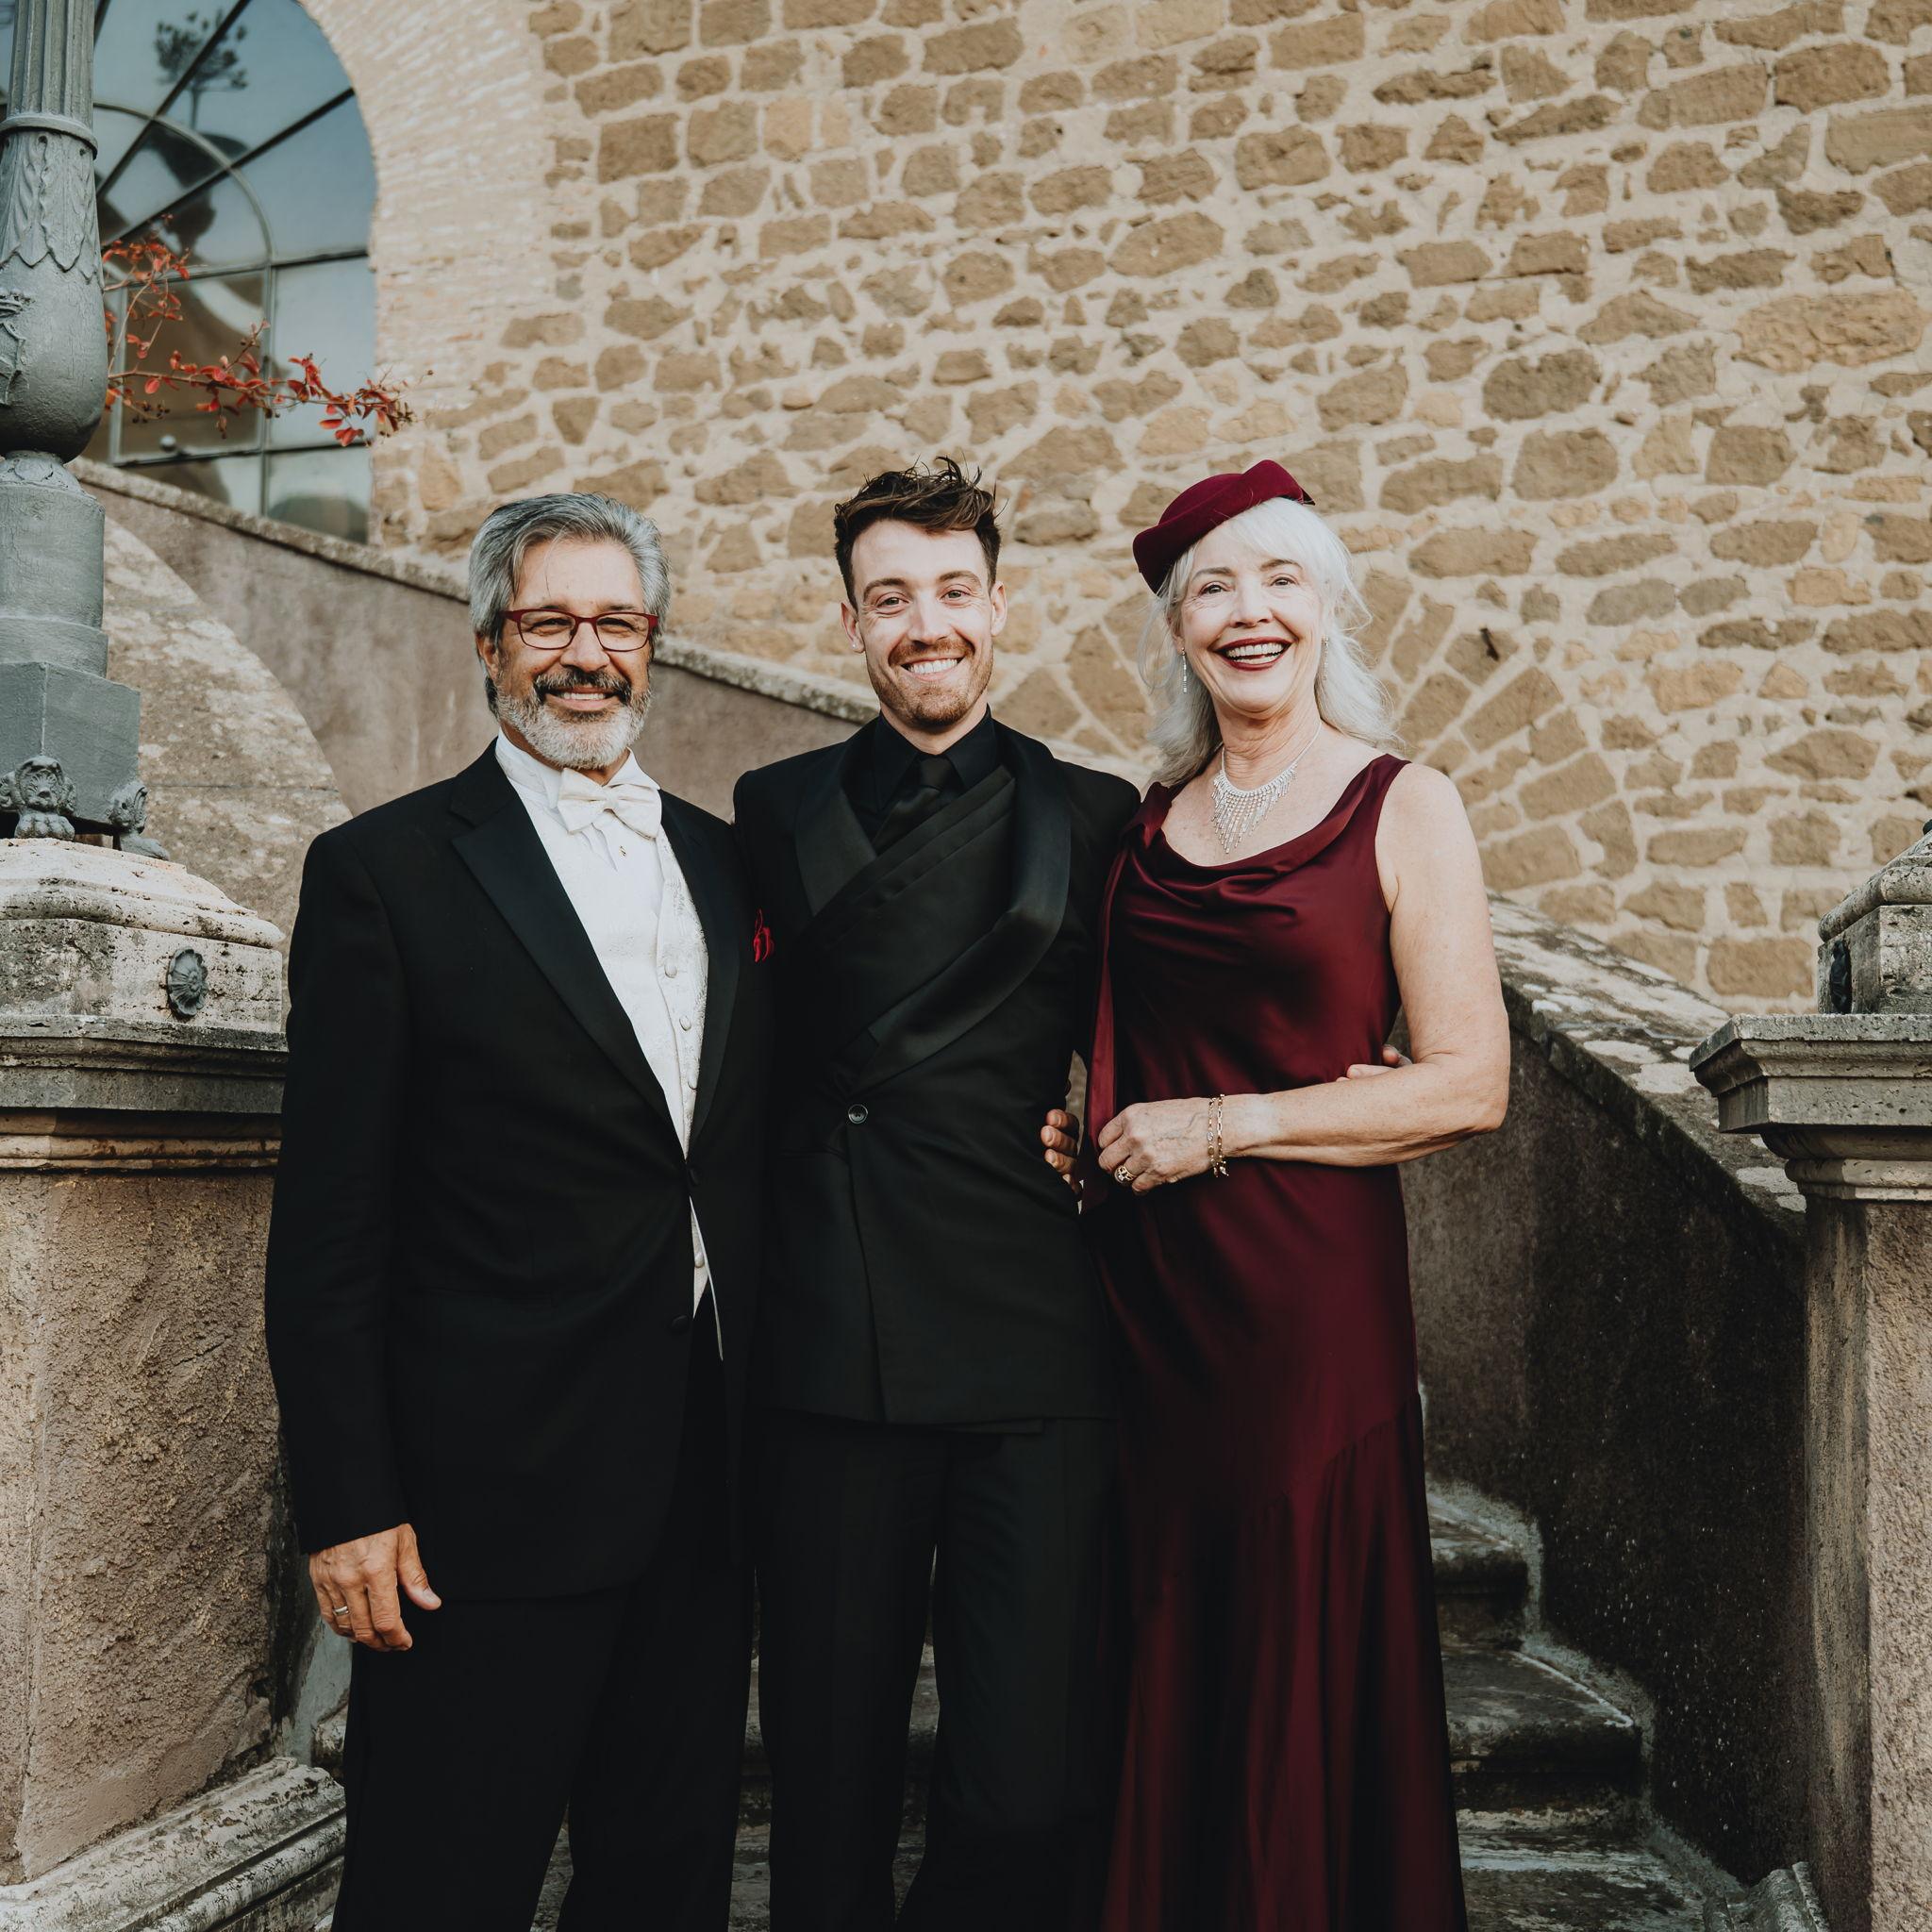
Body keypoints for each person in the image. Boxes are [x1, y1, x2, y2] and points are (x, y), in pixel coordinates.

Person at [263, 493, 772, 1929]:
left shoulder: (731, 863)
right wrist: (349, 1506)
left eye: (616, 623)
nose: (585, 655)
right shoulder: (384, 873)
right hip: (476, 1511)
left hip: (704, 1485)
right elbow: (329, 1228)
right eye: (550, 622)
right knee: (439, 1887)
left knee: (666, 1885)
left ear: (653, 645)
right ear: (490, 642)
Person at [1082, 460, 1510, 1930]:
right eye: (1211, 587)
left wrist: (1226, 1125)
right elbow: (1107, 1047)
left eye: (1279, 580)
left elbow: (1467, 1085)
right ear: (1178, 631)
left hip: (1308, 1312)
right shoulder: (1142, 829)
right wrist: (1071, 1126)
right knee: (1164, 1650)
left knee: (1294, 1653)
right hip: (1146, 1314)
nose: (1248, 612)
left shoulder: (1406, 805)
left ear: (1327, 607)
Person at [732, 459, 1140, 1931]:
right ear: (851, 622)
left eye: (955, 592)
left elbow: (1179, 1021)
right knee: (827, 1779)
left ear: (1000, 606)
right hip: (832, 1343)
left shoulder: (1097, 815)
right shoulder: (769, 811)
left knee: (1030, 1786)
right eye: (892, 597)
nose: (928, 625)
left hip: (1033, 1344)